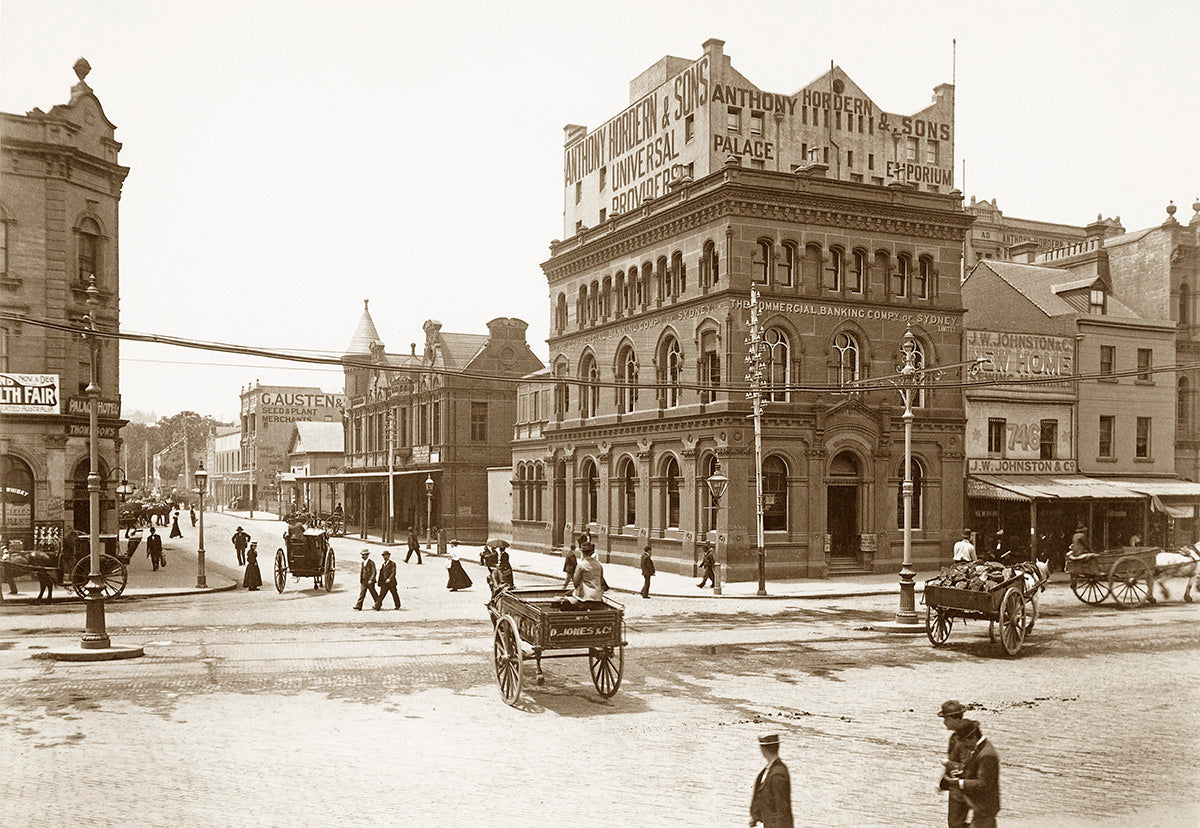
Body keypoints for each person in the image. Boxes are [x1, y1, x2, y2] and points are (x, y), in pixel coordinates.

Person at [940, 720, 1001, 828]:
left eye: (966, 742)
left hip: (986, 807)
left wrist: (958, 783)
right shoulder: (981, 748)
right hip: (981, 806)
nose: (965, 745)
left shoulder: (987, 755)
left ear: (973, 737)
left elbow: (984, 783)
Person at [939, 700, 978, 828]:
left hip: (962, 787)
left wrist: (949, 765)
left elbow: (968, 767)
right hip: (959, 785)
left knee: (955, 824)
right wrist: (943, 782)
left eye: (946, 719)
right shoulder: (956, 737)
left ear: (955, 719)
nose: (944, 722)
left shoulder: (965, 739)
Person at [749, 733, 793, 828]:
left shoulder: (778, 774)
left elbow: (782, 811)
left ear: (763, 750)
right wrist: (756, 817)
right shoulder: (770, 770)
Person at [562, 544, 605, 608]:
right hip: (598, 596)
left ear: (582, 553)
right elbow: (601, 580)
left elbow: (576, 583)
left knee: (566, 596)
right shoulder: (599, 564)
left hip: (585, 597)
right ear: (592, 552)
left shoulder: (581, 565)